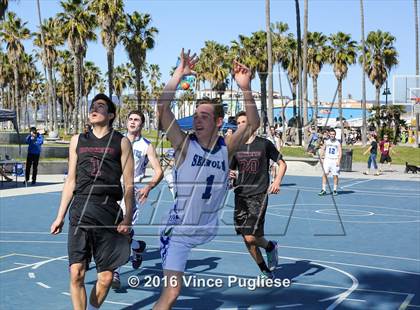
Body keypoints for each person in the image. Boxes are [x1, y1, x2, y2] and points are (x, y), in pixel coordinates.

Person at [154, 49, 259, 310]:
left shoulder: (226, 147)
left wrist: (246, 87)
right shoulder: (184, 144)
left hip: (206, 229)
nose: (198, 119)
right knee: (172, 292)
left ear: (219, 122)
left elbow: (253, 124)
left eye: (204, 116)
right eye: (196, 115)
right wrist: (179, 74)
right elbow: (162, 107)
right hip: (178, 231)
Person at [50, 94, 134, 310]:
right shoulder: (78, 140)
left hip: (108, 213)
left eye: (100, 106)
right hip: (80, 209)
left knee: (105, 278)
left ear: (111, 115)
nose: (93, 109)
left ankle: (94, 305)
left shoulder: (121, 142)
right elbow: (70, 181)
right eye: (92, 106)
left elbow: (129, 185)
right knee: (76, 273)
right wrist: (60, 216)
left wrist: (127, 218)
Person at [230, 111, 287, 279]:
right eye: (238, 123)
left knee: (249, 236)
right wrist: (230, 177)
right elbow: (231, 170)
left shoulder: (264, 144)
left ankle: (269, 247)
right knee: (249, 238)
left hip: (258, 195)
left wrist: (277, 181)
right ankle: (265, 269)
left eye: (244, 122)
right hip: (240, 195)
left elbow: (282, 164)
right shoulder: (236, 147)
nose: (240, 125)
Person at [112, 110, 164, 289]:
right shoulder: (117, 141)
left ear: (142, 124)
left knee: (122, 230)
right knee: (111, 229)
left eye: (137, 120)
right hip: (113, 189)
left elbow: (159, 171)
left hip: (132, 191)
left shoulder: (146, 145)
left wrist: (148, 187)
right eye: (131, 119)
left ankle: (115, 272)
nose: (133, 122)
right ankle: (137, 246)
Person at [319, 128, 342, 196]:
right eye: (331, 134)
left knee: (335, 175)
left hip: (334, 160)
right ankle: (323, 189)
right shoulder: (327, 141)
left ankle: (334, 190)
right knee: (325, 174)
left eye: (333, 134)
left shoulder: (337, 143)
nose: (332, 135)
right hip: (327, 160)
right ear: (329, 134)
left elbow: (340, 152)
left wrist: (338, 161)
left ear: (335, 135)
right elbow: (323, 149)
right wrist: (321, 158)